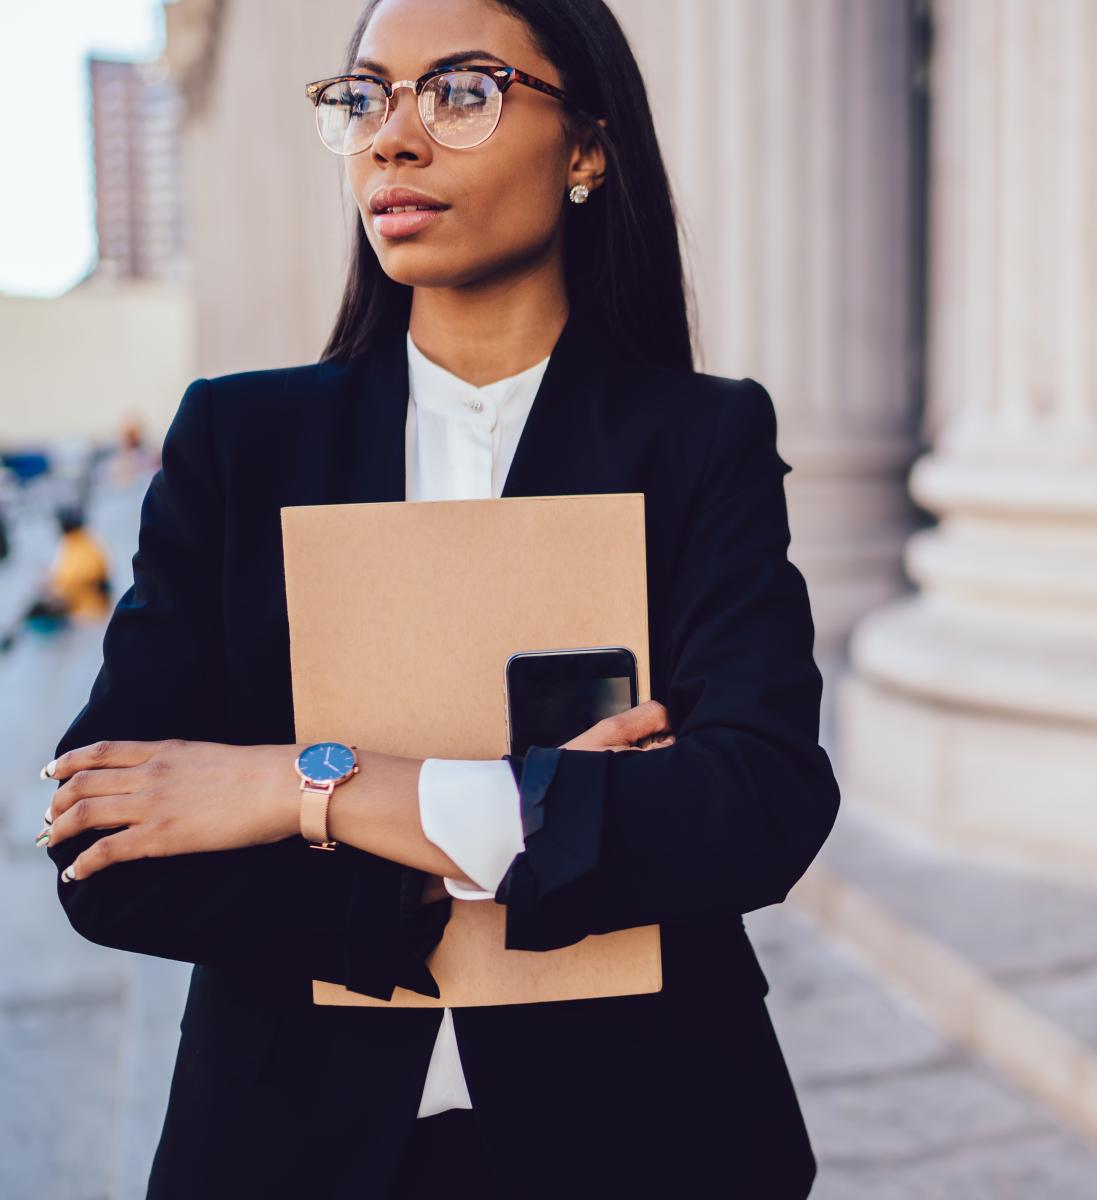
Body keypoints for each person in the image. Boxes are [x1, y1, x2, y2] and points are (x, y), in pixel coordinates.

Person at [36, 1, 837, 1195]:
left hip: (648, 1127)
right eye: (365, 97)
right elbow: (105, 837)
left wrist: (293, 787)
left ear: (587, 148)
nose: (393, 140)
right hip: (286, 1143)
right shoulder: (243, 441)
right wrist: (554, 812)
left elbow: (756, 804)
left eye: (461, 91)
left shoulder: (700, 441)